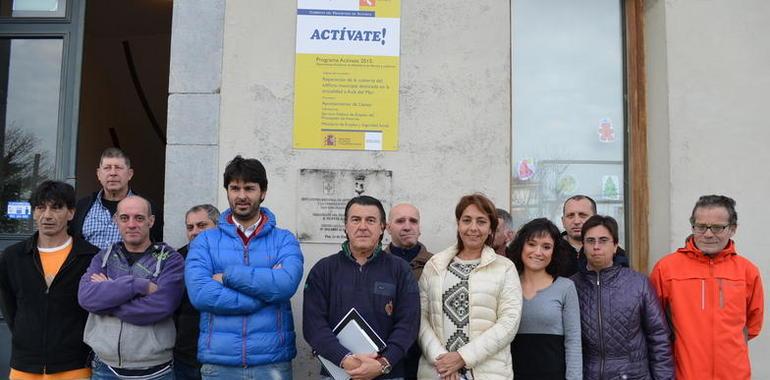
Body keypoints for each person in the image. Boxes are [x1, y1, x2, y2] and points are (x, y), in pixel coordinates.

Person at [185, 156, 304, 379]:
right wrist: (265, 293)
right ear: (227, 191)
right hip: (219, 365)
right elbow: (201, 294)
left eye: (249, 188)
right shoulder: (205, 241)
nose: (241, 196)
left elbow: (285, 284)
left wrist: (228, 276)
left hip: (272, 363)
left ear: (263, 192)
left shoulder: (284, 240)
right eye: (234, 188)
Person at [304, 195, 420, 380]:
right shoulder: (323, 270)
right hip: (337, 373)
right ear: (345, 225)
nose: (363, 226)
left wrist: (382, 364)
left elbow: (408, 325)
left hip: (388, 374)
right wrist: (346, 360)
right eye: (356, 220)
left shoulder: (400, 270)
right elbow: (314, 326)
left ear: (382, 227)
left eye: (371, 220)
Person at [650, 195, 764, 380]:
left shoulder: (747, 272)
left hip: (734, 374)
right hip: (684, 374)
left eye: (718, 227)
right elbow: (654, 326)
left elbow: (752, 325)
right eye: (701, 227)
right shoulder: (666, 269)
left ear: (733, 229)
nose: (708, 234)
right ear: (693, 226)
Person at [0, 181, 99, 380]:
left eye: (56, 207)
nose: (47, 215)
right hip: (24, 366)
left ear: (71, 213)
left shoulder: (90, 257)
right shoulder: (13, 257)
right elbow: (9, 308)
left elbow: (94, 312)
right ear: (34, 212)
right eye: (41, 207)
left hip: (74, 366)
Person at [78, 195, 185, 380]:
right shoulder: (102, 258)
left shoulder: (170, 259)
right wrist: (138, 285)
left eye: (139, 218)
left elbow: (162, 306)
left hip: (155, 371)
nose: (132, 224)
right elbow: (86, 298)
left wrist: (107, 298)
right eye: (125, 218)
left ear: (151, 221)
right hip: (105, 369)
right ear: (116, 220)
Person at [418, 194, 522, 380]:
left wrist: (462, 357)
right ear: (458, 224)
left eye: (481, 221)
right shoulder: (435, 265)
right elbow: (420, 318)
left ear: (491, 228)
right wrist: (443, 362)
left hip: (487, 373)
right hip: (438, 372)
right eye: (467, 220)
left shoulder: (505, 268)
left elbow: (509, 322)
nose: (473, 228)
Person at [571, 215, 673, 379]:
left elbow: (659, 337)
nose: (596, 246)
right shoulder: (571, 286)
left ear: (615, 246)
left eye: (603, 240)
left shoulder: (639, 283)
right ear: (583, 245)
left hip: (633, 375)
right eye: (590, 241)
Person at [507, 218, 581, 380]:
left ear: (554, 252)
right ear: (521, 246)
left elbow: (573, 342)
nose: (538, 252)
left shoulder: (565, 287)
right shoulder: (506, 285)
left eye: (546, 247)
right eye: (532, 244)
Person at [71, 147, 163, 249]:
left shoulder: (147, 208)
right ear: (98, 174)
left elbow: (156, 247)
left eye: (118, 168)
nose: (113, 173)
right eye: (107, 168)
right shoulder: (82, 206)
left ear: (130, 174)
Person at [384, 203, 433, 379]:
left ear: (419, 228)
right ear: (388, 228)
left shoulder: (436, 266)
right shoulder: (377, 266)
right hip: (388, 355)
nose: (407, 226)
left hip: (426, 355)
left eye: (413, 221)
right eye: (400, 221)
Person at [174, 204, 220, 380]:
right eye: (190, 227)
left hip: (222, 355)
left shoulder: (232, 256)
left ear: (218, 226)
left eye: (202, 225)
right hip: (186, 355)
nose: (194, 231)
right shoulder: (177, 259)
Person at [560, 195, 627, 276]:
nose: (576, 221)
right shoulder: (551, 251)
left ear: (595, 218)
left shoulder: (616, 255)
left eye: (582, 215)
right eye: (570, 216)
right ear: (563, 221)